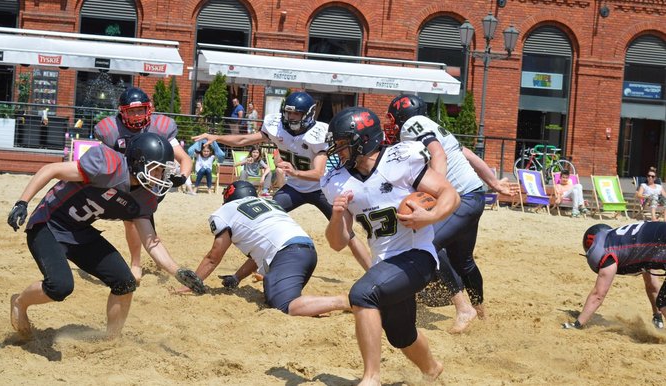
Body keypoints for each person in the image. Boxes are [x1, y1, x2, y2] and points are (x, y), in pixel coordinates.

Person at [6, 133, 206, 340]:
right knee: (60, 286)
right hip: (48, 224)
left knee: (125, 283)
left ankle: (112, 339)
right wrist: (22, 203)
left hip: (79, 232)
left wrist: (178, 272)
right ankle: (20, 302)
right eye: (157, 168)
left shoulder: (145, 198)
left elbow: (151, 241)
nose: (161, 175)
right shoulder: (107, 165)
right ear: (139, 162)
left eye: (163, 170)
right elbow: (52, 169)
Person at [322, 107, 460, 384]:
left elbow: (449, 194)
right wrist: (337, 216)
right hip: (385, 263)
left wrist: (430, 216)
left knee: (362, 294)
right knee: (401, 334)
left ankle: (371, 378)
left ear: (363, 139)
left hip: (417, 255)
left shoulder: (401, 159)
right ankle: (432, 370)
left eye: (341, 143)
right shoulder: (336, 181)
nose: (338, 150)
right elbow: (337, 243)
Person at [192, 91, 371, 270]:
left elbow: (319, 173)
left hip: (321, 189)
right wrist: (217, 137)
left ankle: (371, 269)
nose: (291, 117)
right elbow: (245, 139)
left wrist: (294, 173)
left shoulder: (318, 134)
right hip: (293, 188)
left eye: (297, 114)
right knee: (265, 224)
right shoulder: (276, 125)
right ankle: (241, 275)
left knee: (348, 235)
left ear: (308, 114)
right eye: (289, 112)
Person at [385, 93, 512, 332]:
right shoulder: (437, 127)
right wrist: (493, 183)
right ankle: (481, 314)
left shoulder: (414, 124)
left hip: (459, 199)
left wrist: (436, 193)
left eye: (393, 119)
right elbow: (468, 154)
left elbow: (439, 155)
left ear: (403, 116)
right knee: (463, 261)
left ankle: (464, 308)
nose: (391, 125)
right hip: (474, 195)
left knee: (427, 244)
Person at [178, 181, 350, 316]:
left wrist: (192, 284)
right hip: (306, 251)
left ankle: (342, 301)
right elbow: (260, 250)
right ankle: (312, 303)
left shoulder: (226, 210)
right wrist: (237, 277)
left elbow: (213, 257)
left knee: (284, 305)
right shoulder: (267, 203)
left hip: (287, 255)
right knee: (271, 293)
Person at [94, 87, 192, 283]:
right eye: (131, 111)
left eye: (140, 110)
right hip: (127, 181)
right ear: (122, 112)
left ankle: (147, 258)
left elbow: (185, 159)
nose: (137, 115)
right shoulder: (111, 131)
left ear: (149, 110)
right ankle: (137, 263)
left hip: (154, 182)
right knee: (133, 219)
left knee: (140, 218)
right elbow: (103, 159)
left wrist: (182, 177)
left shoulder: (160, 127)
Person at [562, 222, 665, 331]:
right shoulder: (635, 245)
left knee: (664, 303)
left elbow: (598, 294)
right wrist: (657, 316)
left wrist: (578, 324)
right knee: (663, 301)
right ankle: (658, 321)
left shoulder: (608, 250)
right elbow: (652, 286)